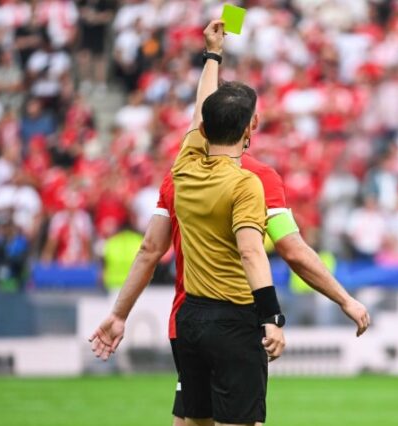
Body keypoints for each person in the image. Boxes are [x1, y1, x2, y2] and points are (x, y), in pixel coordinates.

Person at [90, 20, 370, 426]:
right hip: (235, 318)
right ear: (251, 126)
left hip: (186, 318)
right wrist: (286, 314)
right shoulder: (254, 181)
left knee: (191, 421)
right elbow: (274, 251)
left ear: (203, 128)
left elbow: (150, 249)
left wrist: (212, 55)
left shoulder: (181, 169)